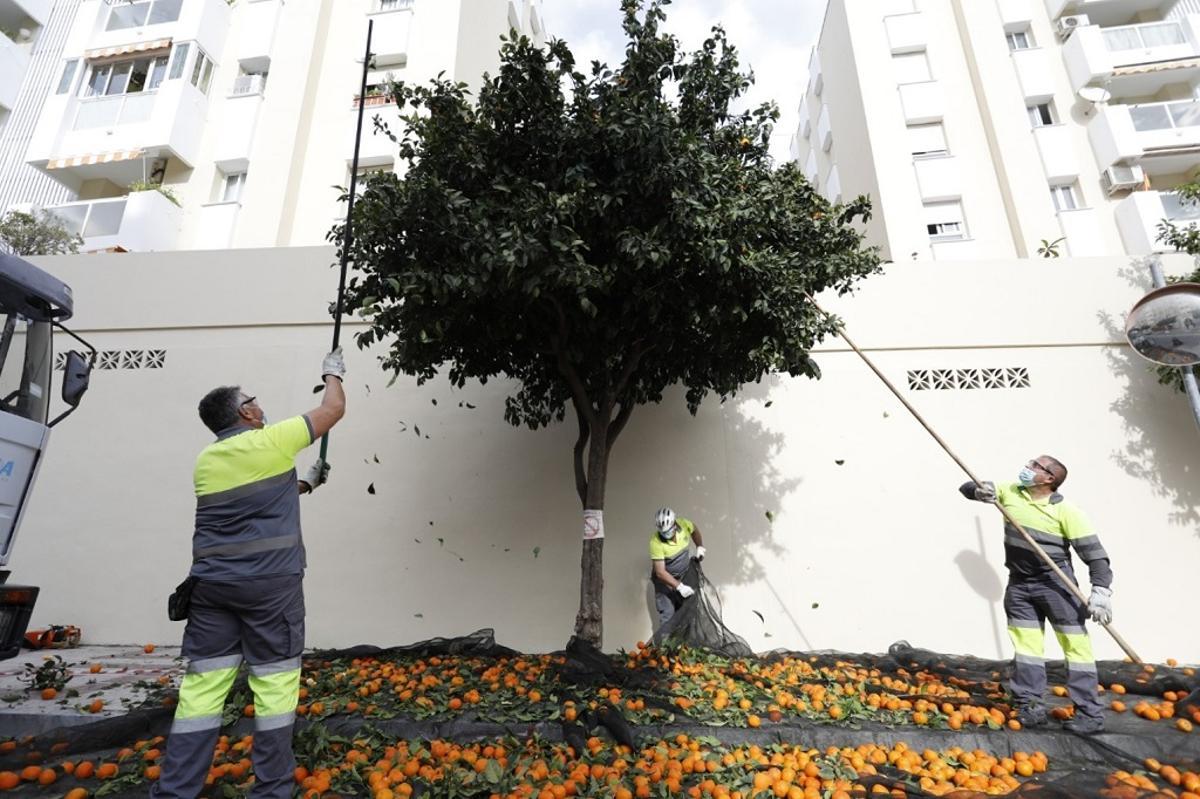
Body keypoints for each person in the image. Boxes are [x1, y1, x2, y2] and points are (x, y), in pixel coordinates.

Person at [152, 349, 347, 799]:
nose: (261, 406)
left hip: (212, 591)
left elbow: (255, 498)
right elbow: (333, 409)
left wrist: (306, 484)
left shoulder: (207, 462)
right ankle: (273, 789)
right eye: (254, 400)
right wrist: (331, 374)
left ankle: (176, 791)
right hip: (270, 590)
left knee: (200, 696)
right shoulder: (272, 441)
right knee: (274, 689)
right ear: (245, 412)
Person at [959, 455, 1113, 734]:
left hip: (1058, 586)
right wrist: (977, 492)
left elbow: (1096, 556)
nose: (1027, 468)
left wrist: (1100, 591)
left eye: (1035, 466)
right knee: (1027, 650)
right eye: (1030, 463)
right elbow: (968, 487)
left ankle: (1089, 714)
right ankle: (1028, 705)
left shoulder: (1067, 511)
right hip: (1020, 585)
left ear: (1049, 478)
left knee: (1076, 650)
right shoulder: (1009, 492)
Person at [649, 507, 706, 626]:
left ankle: (685, 644)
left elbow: (694, 530)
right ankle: (665, 644)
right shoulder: (655, 542)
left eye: (668, 531)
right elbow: (660, 572)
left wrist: (699, 546)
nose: (666, 535)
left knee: (687, 611)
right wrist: (679, 587)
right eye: (663, 532)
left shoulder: (683, 525)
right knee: (668, 614)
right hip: (664, 581)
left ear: (674, 524)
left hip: (683, 574)